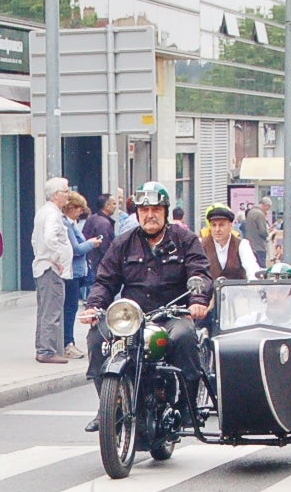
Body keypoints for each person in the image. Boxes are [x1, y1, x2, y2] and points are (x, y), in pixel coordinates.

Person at [80, 182, 211, 433]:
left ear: (165, 211)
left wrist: (198, 301)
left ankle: (186, 406)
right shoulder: (123, 243)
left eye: (155, 209)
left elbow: (200, 273)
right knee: (98, 337)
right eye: (144, 210)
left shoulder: (186, 240)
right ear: (137, 213)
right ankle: (106, 407)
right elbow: (105, 280)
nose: (149, 215)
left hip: (172, 314)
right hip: (132, 316)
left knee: (184, 337)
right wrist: (94, 307)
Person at [31, 176, 73, 364]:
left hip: (43, 265)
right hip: (51, 268)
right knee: (52, 309)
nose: (68, 195)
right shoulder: (53, 214)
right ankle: (47, 350)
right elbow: (50, 238)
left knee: (45, 309)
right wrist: (56, 258)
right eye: (65, 191)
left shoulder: (43, 212)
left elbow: (35, 239)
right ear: (56, 194)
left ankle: (42, 346)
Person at [64, 191, 101, 358]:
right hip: (72, 272)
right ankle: (67, 342)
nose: (81, 212)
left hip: (77, 271)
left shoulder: (72, 224)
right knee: (70, 309)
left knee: (71, 308)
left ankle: (68, 341)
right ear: (70, 208)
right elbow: (76, 249)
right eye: (79, 208)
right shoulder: (67, 225)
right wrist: (91, 243)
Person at [203, 204, 262, 281]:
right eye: (214, 225)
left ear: (230, 226)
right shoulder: (202, 245)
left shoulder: (242, 245)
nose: (217, 229)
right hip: (210, 292)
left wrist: (254, 283)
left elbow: (251, 267)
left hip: (237, 292)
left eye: (221, 225)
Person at [83, 194, 116, 276]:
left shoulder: (92, 218)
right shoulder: (104, 224)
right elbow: (105, 247)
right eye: (114, 204)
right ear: (107, 206)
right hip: (99, 266)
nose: (116, 207)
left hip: (90, 263)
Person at [242, 197, 271, 264]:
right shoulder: (260, 214)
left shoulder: (251, 212)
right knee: (261, 268)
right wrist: (268, 234)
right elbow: (262, 231)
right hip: (259, 245)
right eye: (268, 207)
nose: (268, 209)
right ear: (265, 205)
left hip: (251, 245)